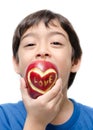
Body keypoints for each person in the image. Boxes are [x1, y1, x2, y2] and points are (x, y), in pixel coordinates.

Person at [0, 9, 93, 130]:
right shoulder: (3, 117)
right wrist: (36, 122)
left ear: (74, 61)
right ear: (17, 63)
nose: (42, 51)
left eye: (56, 43)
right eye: (30, 44)